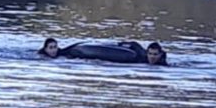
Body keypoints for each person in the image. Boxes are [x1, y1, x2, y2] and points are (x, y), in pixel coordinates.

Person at [38, 38, 168, 65]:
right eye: (150, 54)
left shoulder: (137, 56)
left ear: (160, 55)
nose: (152, 57)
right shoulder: (137, 55)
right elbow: (133, 44)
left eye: (155, 55)